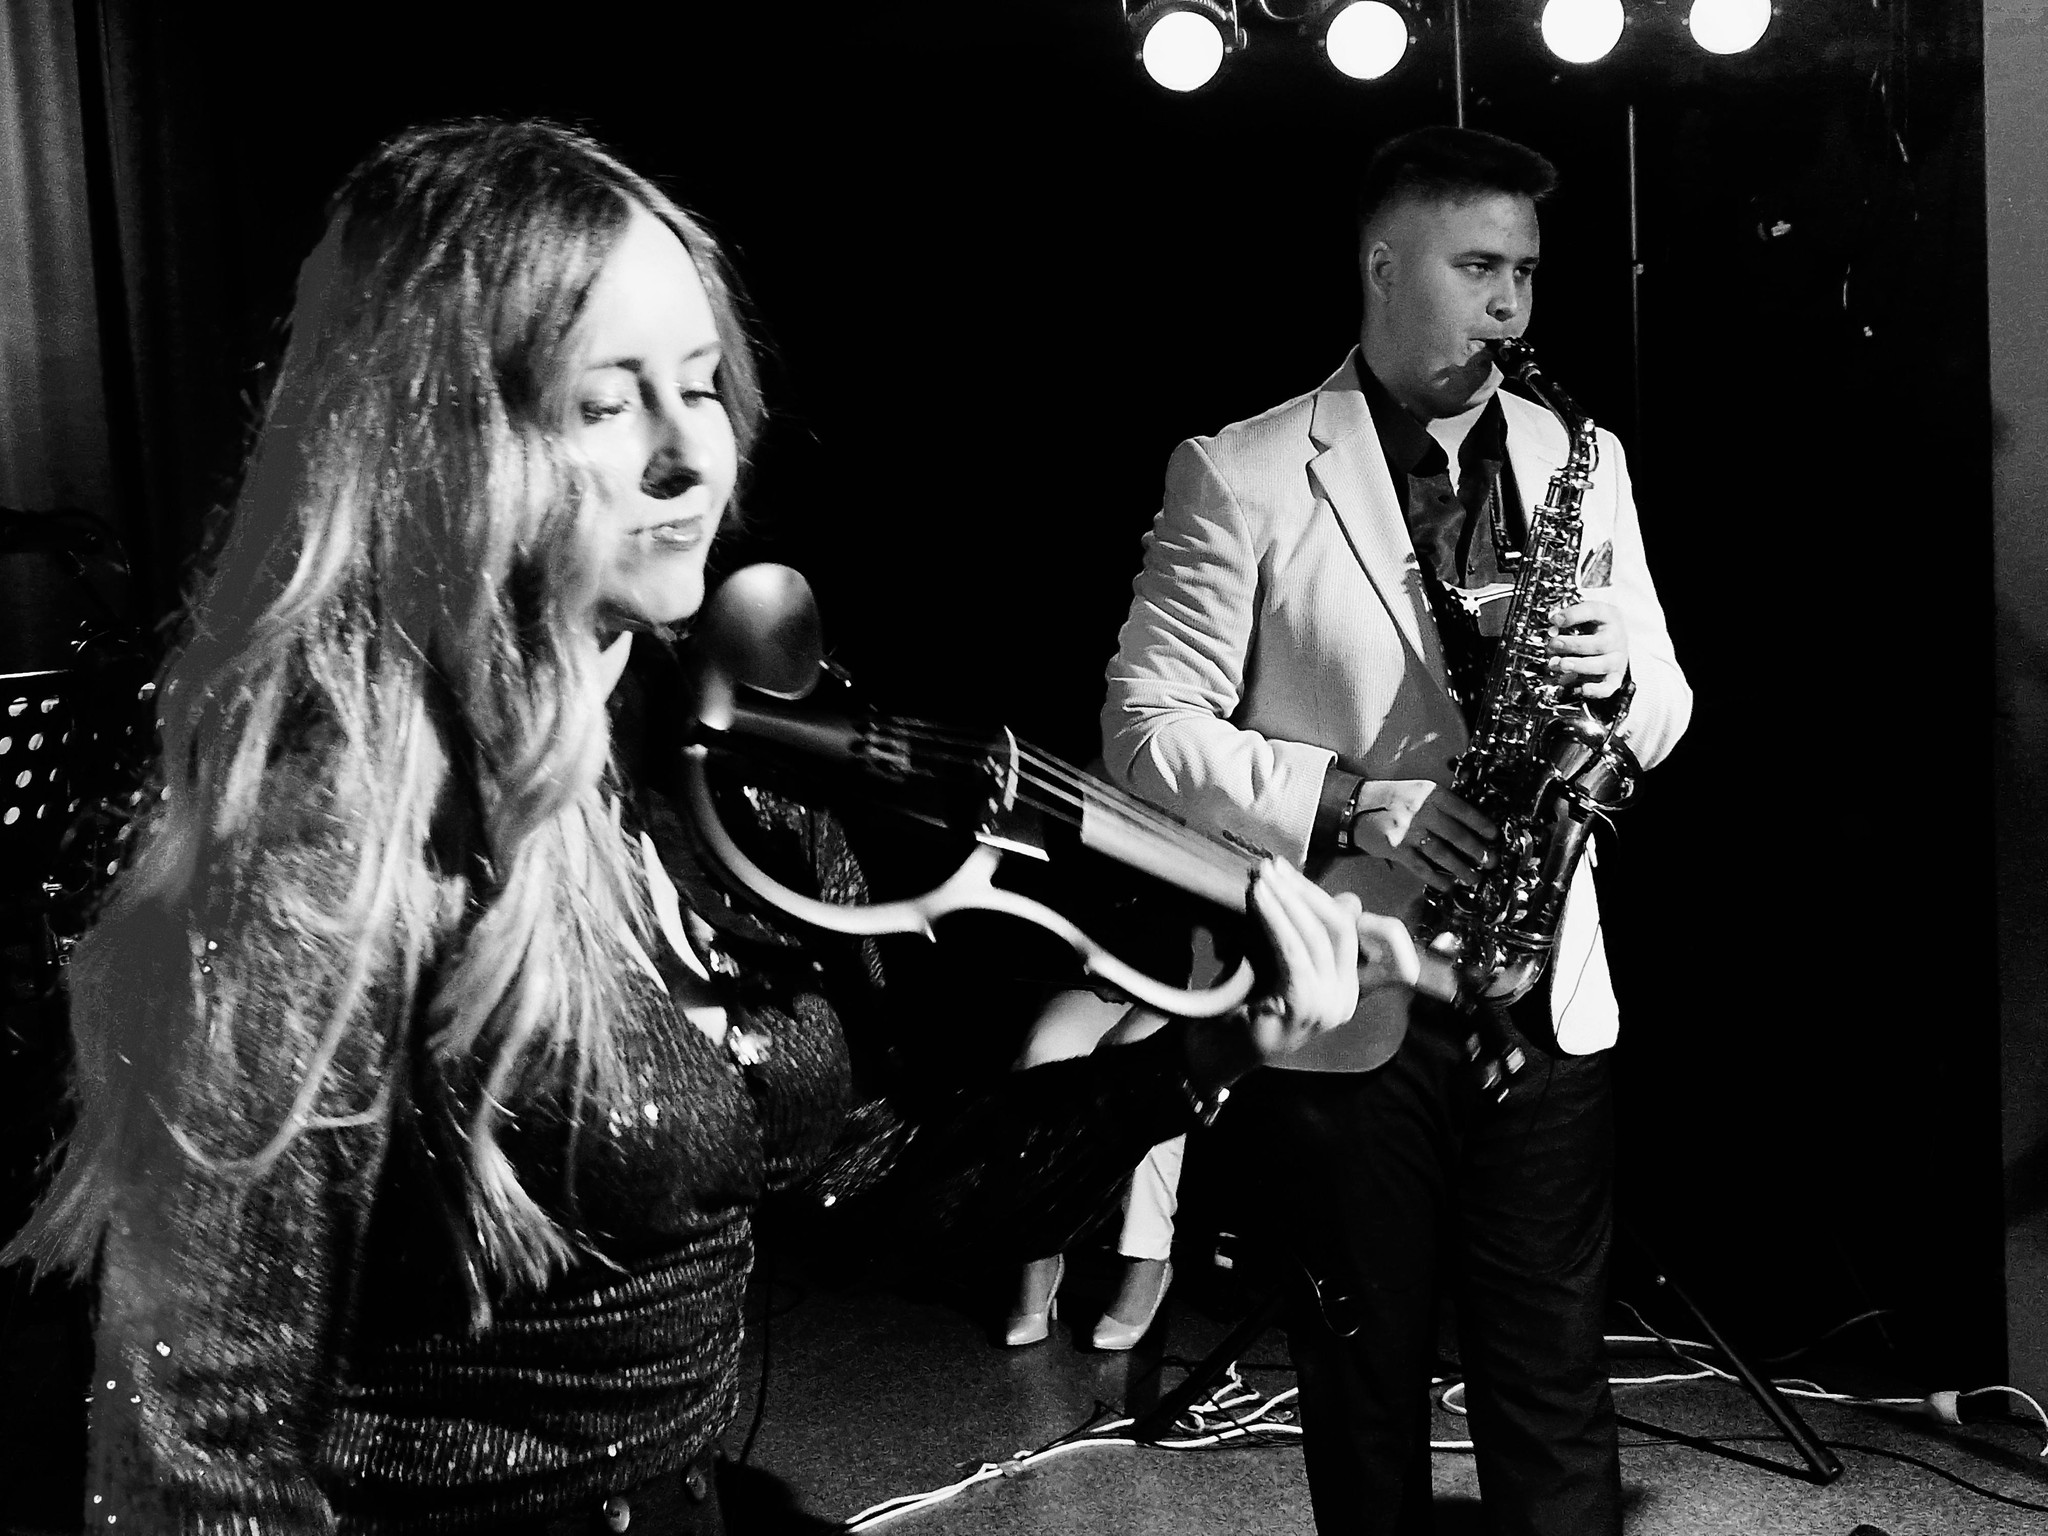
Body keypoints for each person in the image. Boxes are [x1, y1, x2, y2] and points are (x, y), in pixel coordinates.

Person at [4, 119, 1430, 1535]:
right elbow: (199, 1458)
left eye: (700, 386)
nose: (694, 453)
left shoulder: (726, 786)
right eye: (605, 402)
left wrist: (1212, 1048)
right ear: (438, 439)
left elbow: (889, 1200)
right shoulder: (314, 854)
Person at [1100, 125, 1692, 1535]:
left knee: (1554, 1382)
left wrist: (1623, 673)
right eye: (1476, 268)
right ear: (1381, 266)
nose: (1510, 306)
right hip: (1351, 992)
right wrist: (1349, 798)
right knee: (1361, 1389)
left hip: (1538, 987)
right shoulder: (1241, 470)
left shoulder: (1580, 457)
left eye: (1525, 273)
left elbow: (1667, 705)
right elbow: (1142, 729)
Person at [1001, 990, 1183, 1352]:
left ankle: (1147, 1255)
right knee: (1045, 1053)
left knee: (1153, 1068)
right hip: (1104, 983)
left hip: (1188, 995)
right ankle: (1038, 1248)